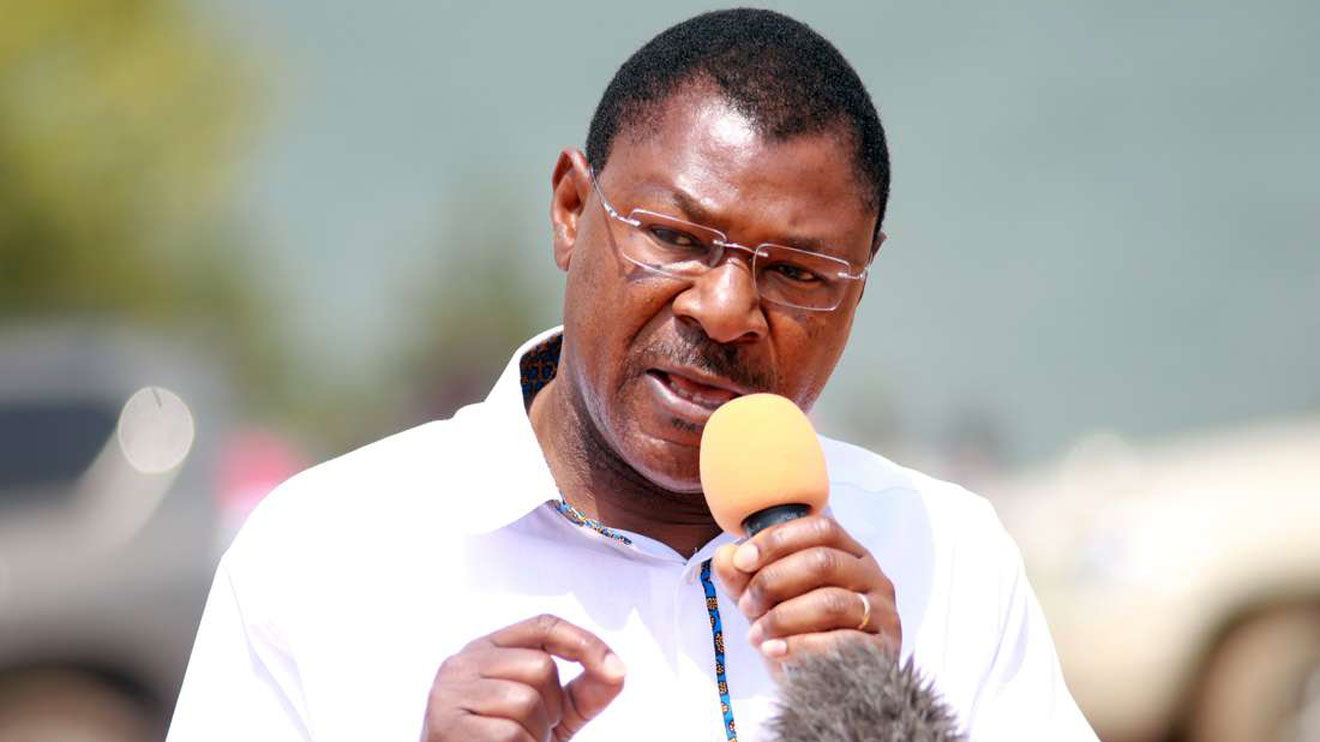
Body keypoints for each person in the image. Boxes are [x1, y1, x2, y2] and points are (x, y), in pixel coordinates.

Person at [167, 9, 1097, 742]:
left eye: (799, 273)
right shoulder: (323, 554)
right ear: (574, 210)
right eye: (676, 238)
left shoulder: (943, 556)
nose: (726, 308)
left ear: (859, 288)